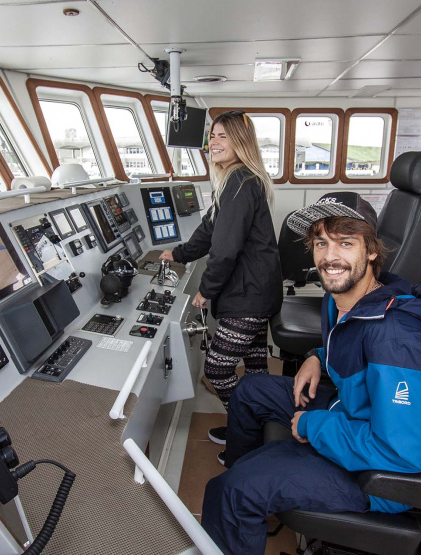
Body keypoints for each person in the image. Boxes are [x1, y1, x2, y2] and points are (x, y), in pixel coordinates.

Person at [200, 194, 421, 555]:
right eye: (321, 243)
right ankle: (253, 501)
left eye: (346, 243)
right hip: (352, 413)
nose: (329, 257)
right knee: (251, 389)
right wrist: (317, 356)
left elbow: (400, 455)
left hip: (381, 478)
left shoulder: (397, 340)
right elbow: (348, 342)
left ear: (372, 251)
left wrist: (310, 426)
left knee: (230, 491)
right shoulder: (347, 297)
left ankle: (243, 498)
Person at [159, 110, 282, 459]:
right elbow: (210, 231)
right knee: (256, 367)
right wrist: (178, 254)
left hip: (249, 297)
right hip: (259, 291)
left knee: (217, 367)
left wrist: (205, 290)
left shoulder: (240, 182)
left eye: (223, 136)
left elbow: (226, 250)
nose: (214, 142)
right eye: (212, 136)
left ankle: (248, 434)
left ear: (241, 142)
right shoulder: (232, 180)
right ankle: (261, 427)